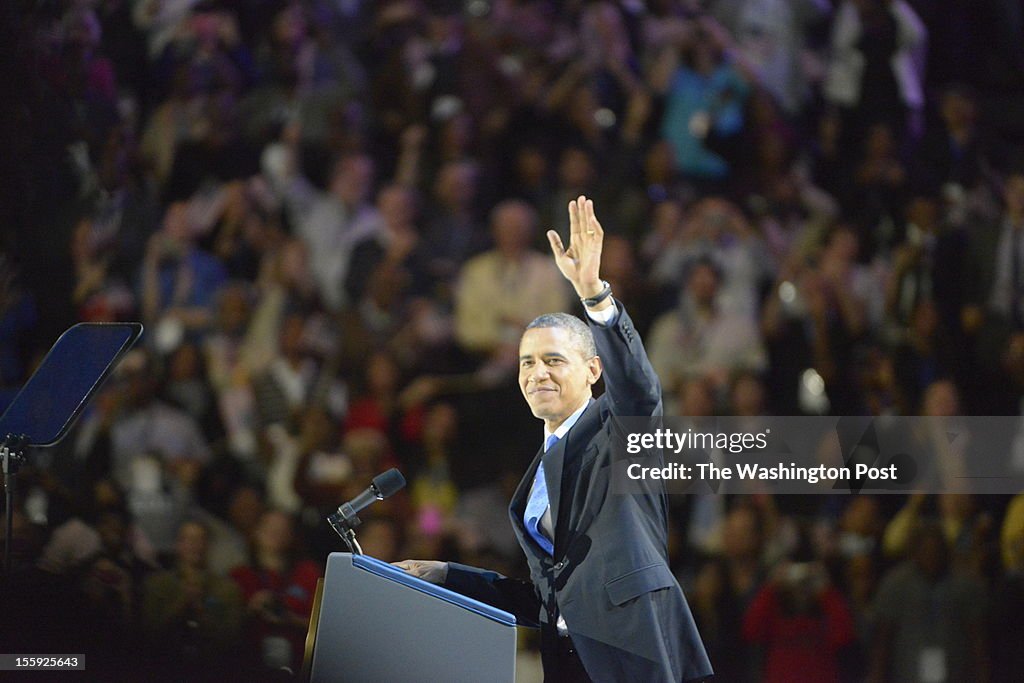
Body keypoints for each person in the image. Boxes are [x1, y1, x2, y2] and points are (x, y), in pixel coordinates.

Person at [397, 197, 712, 682]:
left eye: (553, 360)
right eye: (527, 362)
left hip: (635, 655)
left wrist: (593, 294)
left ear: (592, 370)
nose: (536, 373)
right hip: (568, 664)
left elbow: (640, 389)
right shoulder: (536, 476)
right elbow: (548, 598)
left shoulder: (618, 433)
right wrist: (445, 574)